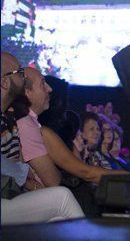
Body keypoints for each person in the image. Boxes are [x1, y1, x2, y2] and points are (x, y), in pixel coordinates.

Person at [1, 51, 84, 225]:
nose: (24, 76)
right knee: (62, 197)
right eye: (19, 73)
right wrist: (27, 178)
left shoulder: (9, 118)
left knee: (57, 216)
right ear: (5, 82)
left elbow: (17, 164)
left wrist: (26, 178)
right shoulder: (20, 121)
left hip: (8, 195)